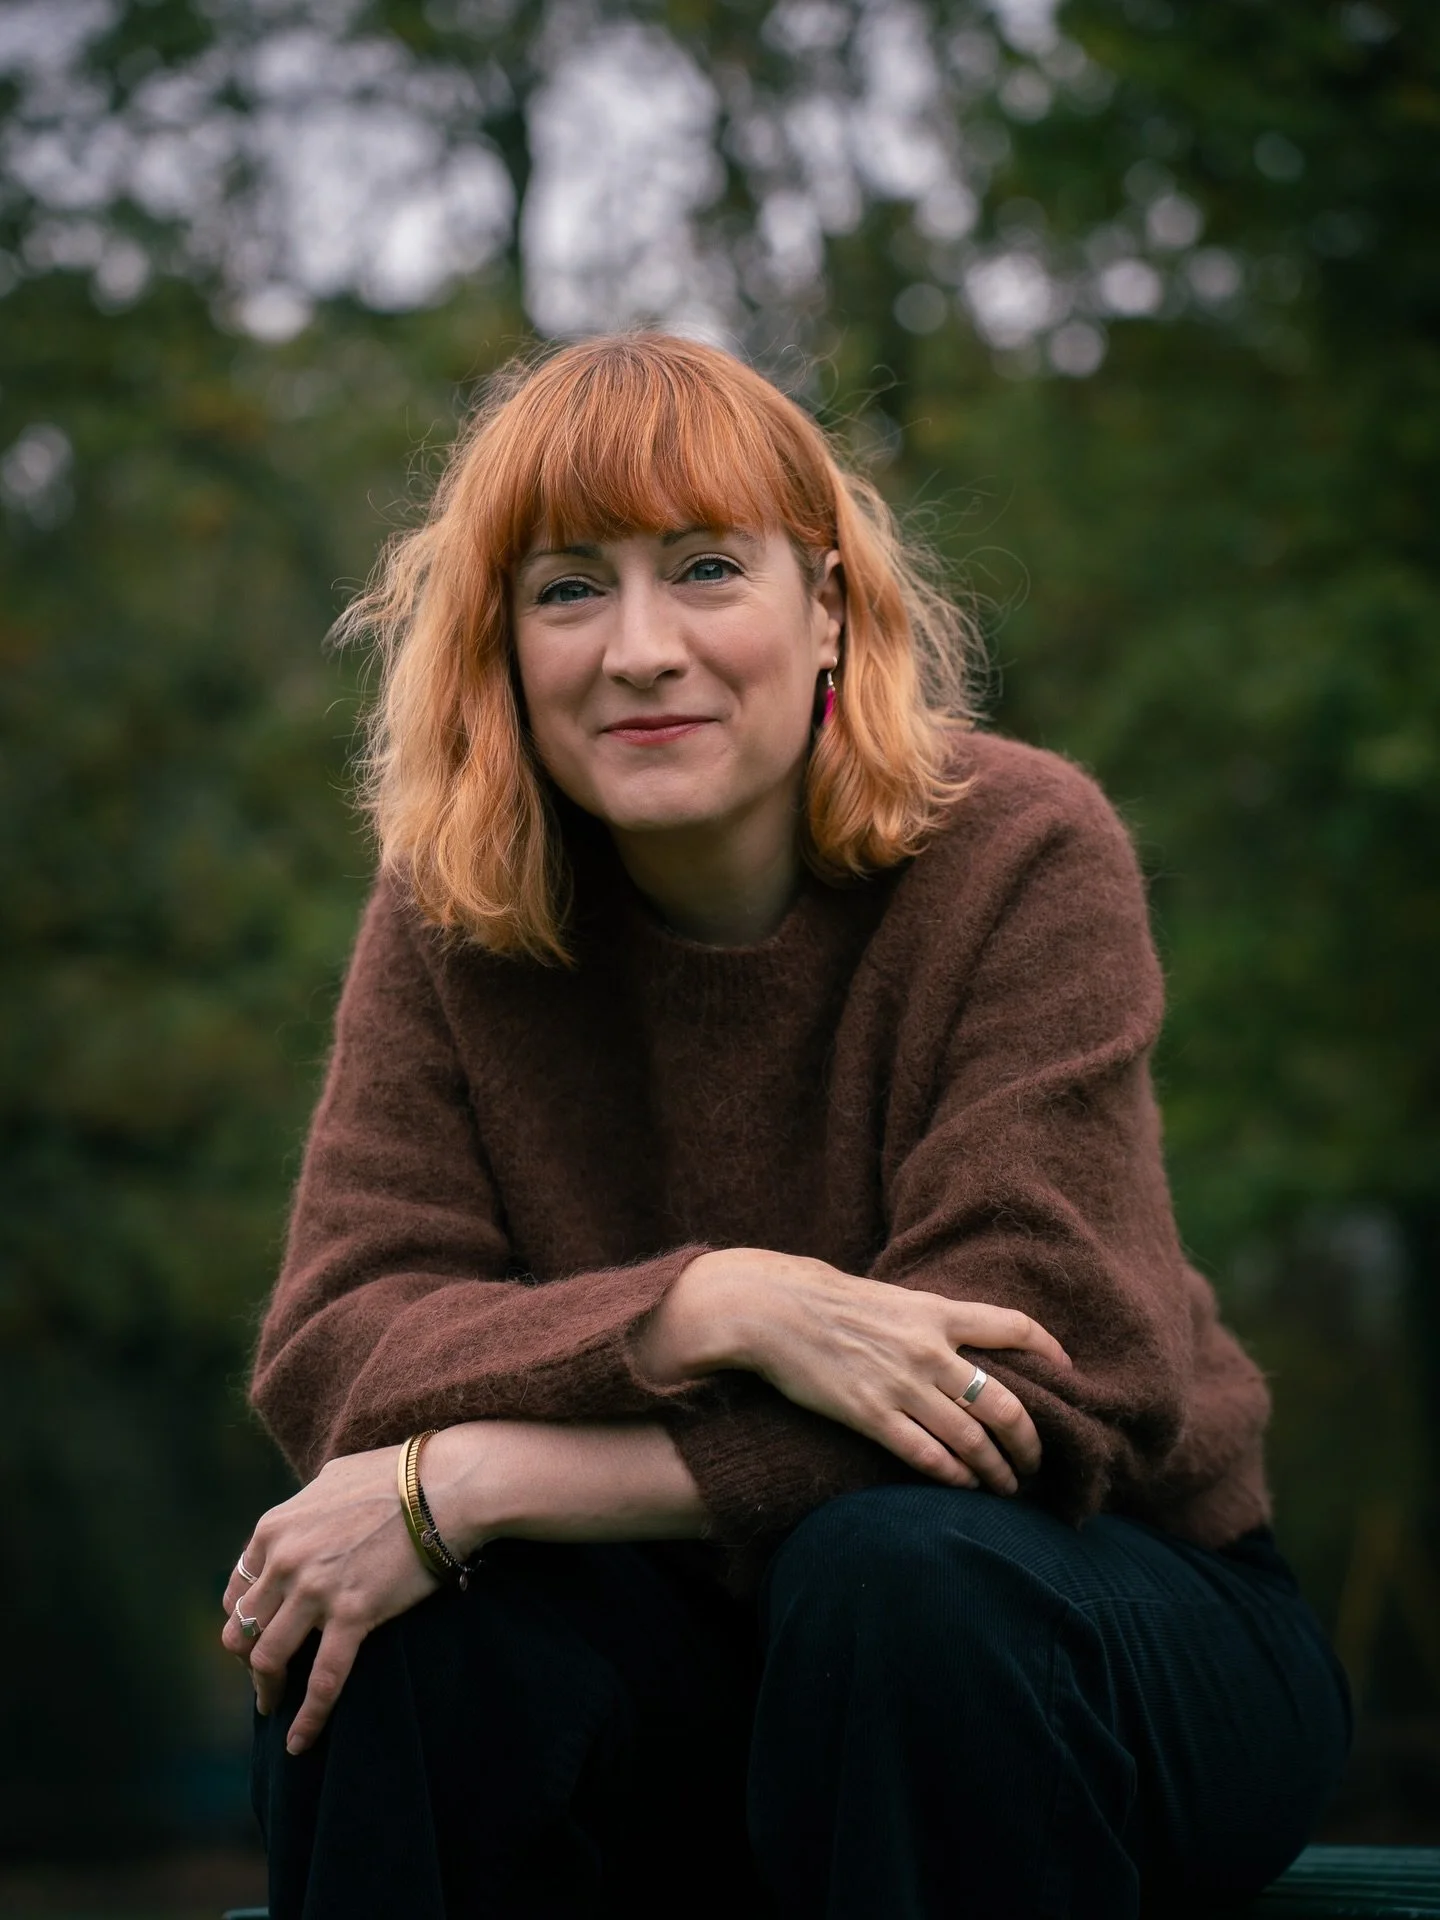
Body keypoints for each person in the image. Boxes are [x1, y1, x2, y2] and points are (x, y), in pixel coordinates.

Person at [222, 331, 1351, 1920]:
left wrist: (477, 1479)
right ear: (501, 645)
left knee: (893, 1575)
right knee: (388, 1629)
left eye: (703, 570)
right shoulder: (451, 917)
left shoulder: (1019, 852)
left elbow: (1022, 1392)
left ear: (826, 606)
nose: (639, 650)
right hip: (697, 1668)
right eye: (567, 589)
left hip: (1099, 1623)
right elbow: (342, 1339)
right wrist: (711, 1309)